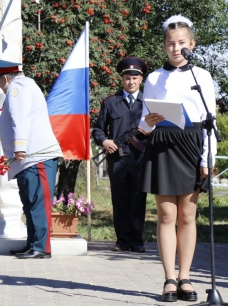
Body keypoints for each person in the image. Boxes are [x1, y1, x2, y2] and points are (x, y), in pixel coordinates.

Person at [139, 15, 217, 302]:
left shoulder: (203, 76)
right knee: (167, 214)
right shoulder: (154, 78)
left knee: (187, 215)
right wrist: (148, 121)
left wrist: (206, 158)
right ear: (164, 46)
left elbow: (210, 120)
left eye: (181, 43)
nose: (175, 48)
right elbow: (144, 124)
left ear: (192, 45)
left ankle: (186, 277)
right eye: (170, 44)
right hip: (163, 143)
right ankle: (169, 279)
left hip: (193, 143)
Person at [0, 59, 62, 259]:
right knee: (30, 203)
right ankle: (32, 244)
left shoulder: (16, 89)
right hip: (30, 157)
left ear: (5, 78)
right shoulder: (23, 87)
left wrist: (19, 147)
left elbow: (20, 117)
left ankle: (41, 247)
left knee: (38, 202)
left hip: (35, 155)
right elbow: (8, 117)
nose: (0, 87)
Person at [92, 57, 149, 253]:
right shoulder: (110, 103)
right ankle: (122, 240)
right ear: (121, 79)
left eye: (135, 78)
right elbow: (98, 130)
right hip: (117, 160)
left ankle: (137, 240)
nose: (131, 81)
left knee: (138, 200)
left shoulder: (148, 104)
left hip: (140, 159)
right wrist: (105, 141)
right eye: (127, 78)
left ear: (141, 79)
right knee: (120, 200)